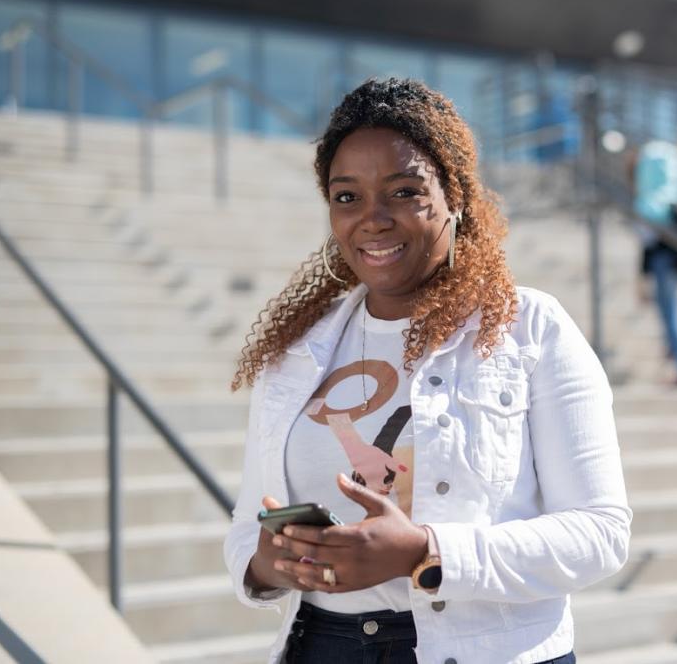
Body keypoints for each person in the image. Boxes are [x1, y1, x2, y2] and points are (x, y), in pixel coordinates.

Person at [224, 78, 631, 664]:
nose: (373, 219)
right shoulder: (295, 352)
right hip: (323, 647)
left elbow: (600, 533)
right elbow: (246, 529)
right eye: (347, 197)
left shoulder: (529, 327)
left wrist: (425, 551)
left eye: (404, 191)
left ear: (456, 197)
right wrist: (270, 564)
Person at [631, 140, 677, 386]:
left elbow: (647, 244)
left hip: (661, 262)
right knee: (672, 312)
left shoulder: (648, 204)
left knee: (671, 315)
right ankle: (676, 360)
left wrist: (641, 278)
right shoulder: (673, 198)